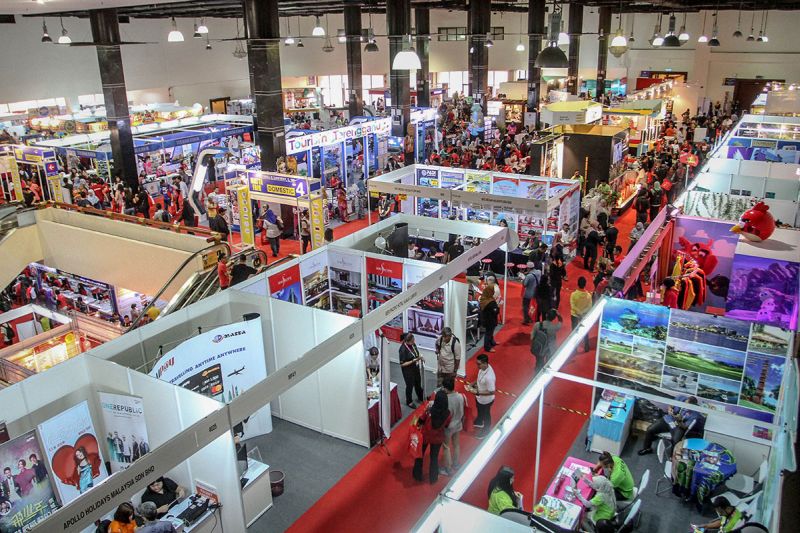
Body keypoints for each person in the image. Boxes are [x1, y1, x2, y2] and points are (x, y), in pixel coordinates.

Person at [412, 389, 451, 484]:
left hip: (426, 435)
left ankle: (417, 474)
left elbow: (421, 420)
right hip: (438, 438)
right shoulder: (448, 413)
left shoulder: (429, 410)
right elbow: (446, 425)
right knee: (434, 458)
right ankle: (433, 478)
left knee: (420, 455)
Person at [440, 377, 465, 476]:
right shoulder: (460, 396)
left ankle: (448, 468)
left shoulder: (447, 400)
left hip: (449, 426)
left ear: (446, 388)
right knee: (456, 444)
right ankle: (455, 463)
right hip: (458, 423)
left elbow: (446, 415)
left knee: (446, 447)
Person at [468, 354, 495, 437]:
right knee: (479, 409)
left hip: (486, 401)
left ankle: (486, 430)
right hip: (479, 398)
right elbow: (479, 379)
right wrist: (473, 383)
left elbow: (492, 392)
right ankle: (479, 421)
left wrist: (477, 392)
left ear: (485, 363)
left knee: (486, 414)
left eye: (479, 364)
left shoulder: (489, 377)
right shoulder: (482, 369)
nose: (477, 366)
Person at [399, 333, 424, 408]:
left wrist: (420, 358)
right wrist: (414, 360)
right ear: (407, 341)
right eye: (412, 341)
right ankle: (409, 401)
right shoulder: (402, 349)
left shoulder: (413, 344)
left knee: (418, 383)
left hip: (415, 367)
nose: (414, 342)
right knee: (410, 386)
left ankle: (421, 397)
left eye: (414, 340)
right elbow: (402, 364)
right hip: (408, 370)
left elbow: (416, 354)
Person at [570, 277, 593, 352]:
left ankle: (574, 348)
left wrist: (578, 312)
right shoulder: (588, 296)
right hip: (584, 316)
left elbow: (572, 305)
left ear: (578, 284)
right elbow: (589, 306)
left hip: (575, 315)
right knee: (585, 330)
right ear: (585, 284)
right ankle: (586, 346)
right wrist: (582, 312)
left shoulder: (573, 294)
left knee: (574, 331)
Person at [479, 280, 499, 353]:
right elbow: (495, 311)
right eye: (492, 291)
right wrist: (497, 307)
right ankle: (487, 347)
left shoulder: (484, 298)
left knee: (490, 332)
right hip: (489, 320)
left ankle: (492, 342)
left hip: (487, 319)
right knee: (488, 333)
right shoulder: (490, 301)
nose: (493, 292)